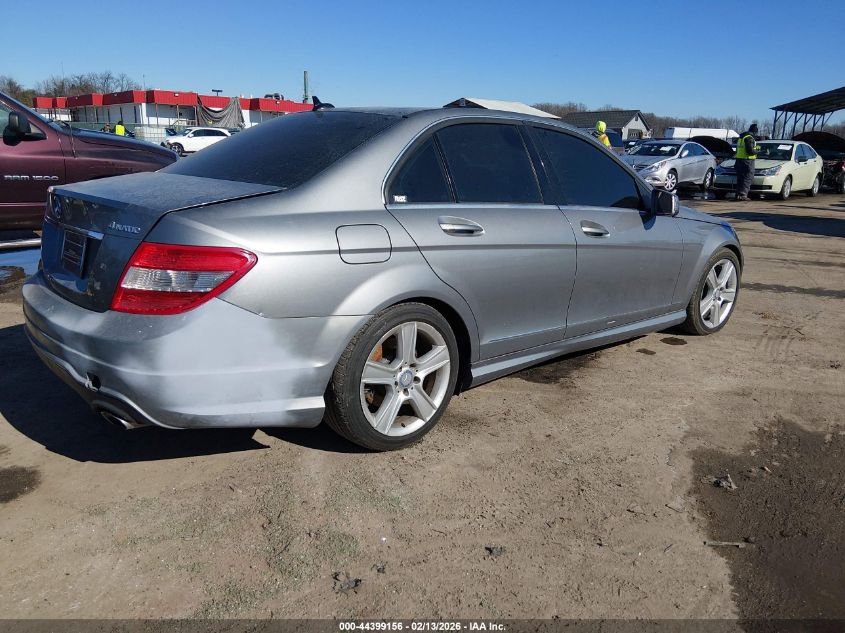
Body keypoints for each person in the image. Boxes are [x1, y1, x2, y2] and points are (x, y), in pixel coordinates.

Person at [734, 123, 760, 201]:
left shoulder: (741, 138)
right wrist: (757, 151)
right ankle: (743, 195)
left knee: (740, 178)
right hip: (748, 160)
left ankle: (738, 194)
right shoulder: (749, 138)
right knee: (747, 178)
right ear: (755, 132)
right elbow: (750, 151)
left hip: (739, 160)